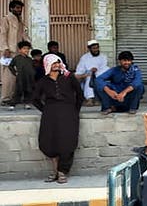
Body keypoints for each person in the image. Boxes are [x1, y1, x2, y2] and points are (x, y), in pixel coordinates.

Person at [33, 54, 83, 184]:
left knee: (67, 142)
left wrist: (75, 110)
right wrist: (45, 110)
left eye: (58, 62)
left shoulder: (68, 77)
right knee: (49, 141)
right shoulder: (43, 81)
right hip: (50, 115)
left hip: (68, 113)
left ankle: (62, 172)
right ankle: (55, 171)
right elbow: (35, 99)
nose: (56, 65)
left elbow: (79, 94)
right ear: (47, 65)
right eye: (53, 63)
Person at [0, 0, 30, 105]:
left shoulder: (20, 21)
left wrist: (28, 47)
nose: (19, 10)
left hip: (18, 52)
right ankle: (5, 98)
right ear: (11, 8)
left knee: (17, 75)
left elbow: (24, 36)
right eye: (17, 8)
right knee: (8, 75)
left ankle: (15, 97)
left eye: (20, 8)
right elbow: (2, 34)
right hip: (8, 51)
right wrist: (5, 48)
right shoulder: (6, 19)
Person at [74, 39, 109, 107]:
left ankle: (98, 98)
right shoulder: (84, 58)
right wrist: (89, 72)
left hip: (100, 74)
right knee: (90, 77)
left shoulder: (103, 56)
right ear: (89, 49)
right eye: (94, 48)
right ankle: (90, 98)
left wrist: (96, 70)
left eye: (97, 48)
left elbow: (104, 68)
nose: (96, 50)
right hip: (88, 75)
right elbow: (79, 71)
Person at [8, 40, 35, 110]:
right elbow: (10, 66)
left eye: (27, 48)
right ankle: (13, 104)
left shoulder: (30, 59)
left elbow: (32, 68)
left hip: (29, 77)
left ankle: (26, 103)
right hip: (20, 77)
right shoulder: (16, 58)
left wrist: (33, 74)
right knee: (18, 90)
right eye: (24, 48)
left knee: (28, 90)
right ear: (20, 50)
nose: (26, 50)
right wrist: (15, 73)